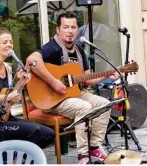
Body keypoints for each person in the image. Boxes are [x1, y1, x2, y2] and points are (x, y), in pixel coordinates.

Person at [27, 12, 119, 164]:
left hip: (73, 95)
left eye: (73, 27)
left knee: (104, 104)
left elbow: (88, 79)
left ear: (78, 29)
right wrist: (53, 82)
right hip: (52, 99)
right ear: (58, 30)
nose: (70, 31)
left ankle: (95, 147)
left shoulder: (80, 51)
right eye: (66, 27)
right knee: (84, 107)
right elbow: (31, 60)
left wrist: (108, 75)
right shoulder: (52, 48)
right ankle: (83, 155)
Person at [0, 28, 54, 149]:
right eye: (4, 42)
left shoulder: (7, 67)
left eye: (10, 42)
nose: (9, 45)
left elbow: (11, 97)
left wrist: (21, 81)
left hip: (4, 118)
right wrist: (7, 97)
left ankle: (17, 159)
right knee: (35, 131)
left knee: (48, 134)